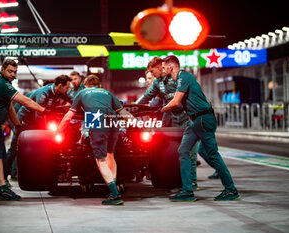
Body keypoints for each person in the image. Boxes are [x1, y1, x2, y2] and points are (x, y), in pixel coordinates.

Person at [161, 55, 240, 202]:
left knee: (212, 154)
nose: (163, 70)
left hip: (203, 119)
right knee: (183, 151)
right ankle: (187, 191)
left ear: (171, 67)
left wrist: (160, 110)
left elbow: (176, 101)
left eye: (164, 67)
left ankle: (231, 190)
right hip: (194, 121)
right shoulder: (179, 79)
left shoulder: (184, 77)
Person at [0, 59, 48, 201]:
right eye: (10, 71)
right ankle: (3, 188)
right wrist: (45, 111)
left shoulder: (4, 83)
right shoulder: (0, 83)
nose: (13, 74)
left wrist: (18, 125)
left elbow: (10, 108)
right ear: (2, 69)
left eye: (15, 72)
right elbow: (25, 101)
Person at [57, 74, 134, 205]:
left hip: (96, 120)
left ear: (85, 86)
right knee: (110, 155)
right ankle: (113, 190)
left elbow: (68, 116)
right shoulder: (107, 92)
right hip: (114, 122)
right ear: (99, 86)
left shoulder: (82, 93)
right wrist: (138, 125)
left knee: (101, 160)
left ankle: (115, 194)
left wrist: (58, 131)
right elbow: (125, 113)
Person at [135, 57, 199, 189]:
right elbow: (147, 95)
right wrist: (133, 107)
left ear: (160, 68)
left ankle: (192, 181)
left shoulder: (179, 77)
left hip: (188, 117)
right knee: (177, 152)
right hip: (174, 119)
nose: (152, 75)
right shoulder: (158, 82)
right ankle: (181, 181)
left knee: (190, 152)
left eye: (153, 72)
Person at [4, 75, 72, 183]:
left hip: (34, 121)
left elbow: (73, 101)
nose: (68, 90)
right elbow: (39, 116)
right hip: (24, 121)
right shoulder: (43, 94)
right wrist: (47, 133)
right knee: (15, 148)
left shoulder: (60, 92)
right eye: (67, 87)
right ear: (60, 86)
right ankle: (3, 177)